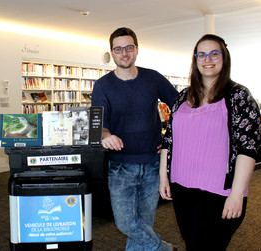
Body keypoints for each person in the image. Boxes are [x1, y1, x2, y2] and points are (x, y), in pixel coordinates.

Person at [159, 34, 261, 251]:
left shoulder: (239, 96)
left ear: (224, 57)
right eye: (201, 54)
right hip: (181, 187)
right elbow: (168, 141)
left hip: (219, 192)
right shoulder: (183, 97)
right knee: (192, 243)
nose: (208, 59)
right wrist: (163, 178)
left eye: (214, 53)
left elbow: (247, 148)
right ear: (195, 60)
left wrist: (236, 194)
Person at [92, 27, 178, 251]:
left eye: (129, 47)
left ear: (137, 49)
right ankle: (164, 248)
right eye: (118, 49)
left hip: (152, 163)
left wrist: (171, 140)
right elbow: (98, 125)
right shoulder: (103, 85)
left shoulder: (153, 78)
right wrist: (106, 135)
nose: (124, 53)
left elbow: (180, 107)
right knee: (126, 223)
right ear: (112, 52)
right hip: (120, 167)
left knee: (144, 224)